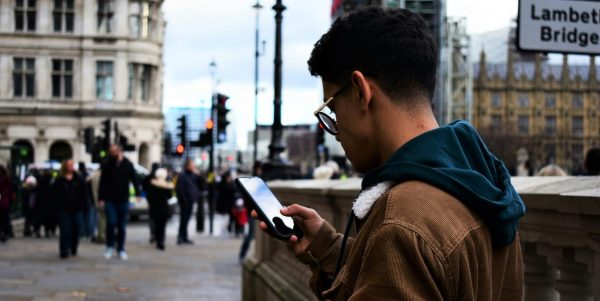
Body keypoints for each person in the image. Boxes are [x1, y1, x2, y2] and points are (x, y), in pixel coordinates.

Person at [253, 8, 526, 300]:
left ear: (361, 91)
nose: (335, 128)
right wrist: (329, 248)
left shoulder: (402, 223)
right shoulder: (483, 187)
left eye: (331, 109)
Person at [98, 144, 141, 260]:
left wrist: (138, 193)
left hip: (123, 199)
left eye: (115, 151)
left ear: (120, 151)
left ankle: (121, 248)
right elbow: (103, 181)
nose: (113, 153)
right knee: (111, 223)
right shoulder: (108, 164)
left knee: (121, 226)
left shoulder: (127, 164)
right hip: (110, 199)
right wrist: (101, 198)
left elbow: (134, 178)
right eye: (111, 151)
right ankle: (110, 246)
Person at [53, 159, 86, 259]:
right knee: (65, 230)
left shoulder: (79, 178)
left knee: (75, 229)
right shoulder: (60, 179)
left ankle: (73, 247)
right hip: (63, 207)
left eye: (72, 165)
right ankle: (64, 250)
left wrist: (83, 205)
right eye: (69, 165)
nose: (72, 167)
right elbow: (54, 193)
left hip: (76, 207)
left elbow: (84, 193)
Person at [146, 167, 174, 250]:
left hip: (154, 208)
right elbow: (170, 196)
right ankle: (161, 241)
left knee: (157, 225)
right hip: (163, 208)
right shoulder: (166, 186)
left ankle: (158, 239)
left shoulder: (152, 185)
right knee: (162, 226)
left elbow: (149, 196)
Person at [175, 159, 199, 245]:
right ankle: (180, 237)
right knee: (183, 220)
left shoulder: (192, 175)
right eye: (192, 165)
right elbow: (180, 190)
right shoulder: (183, 176)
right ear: (188, 166)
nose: (194, 167)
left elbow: (202, 183)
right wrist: (184, 200)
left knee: (186, 220)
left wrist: (198, 174)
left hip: (190, 202)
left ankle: (184, 237)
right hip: (185, 202)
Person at [142, 162, 160, 244]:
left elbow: (144, 187)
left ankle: (153, 234)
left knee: (152, 218)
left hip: (151, 200)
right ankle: (156, 234)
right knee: (157, 218)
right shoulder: (159, 177)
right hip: (158, 201)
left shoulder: (148, 177)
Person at [216, 171, 236, 238]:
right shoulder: (229, 186)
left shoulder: (220, 184)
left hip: (221, 205)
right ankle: (224, 233)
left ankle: (224, 233)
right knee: (225, 221)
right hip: (226, 206)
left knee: (223, 220)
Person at [0, 165, 14, 243]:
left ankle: (5, 233)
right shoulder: (6, 180)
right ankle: (5, 233)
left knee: (4, 219)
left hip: (4, 203)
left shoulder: (5, 180)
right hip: (5, 203)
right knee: (5, 219)